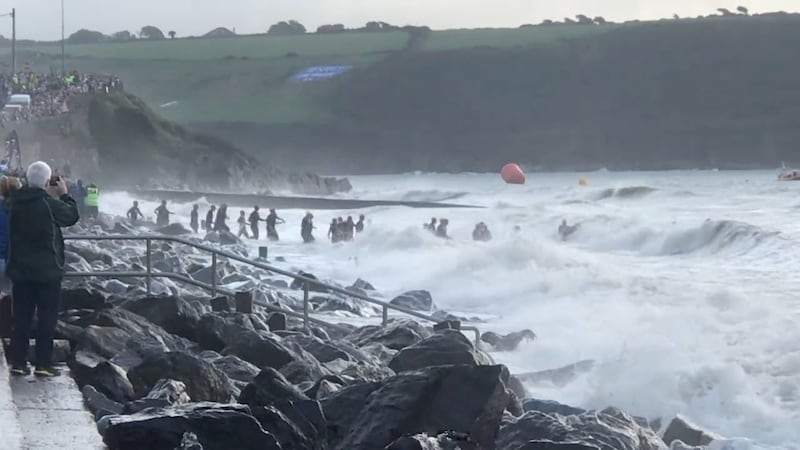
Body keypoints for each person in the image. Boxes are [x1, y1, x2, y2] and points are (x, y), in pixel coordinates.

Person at [7, 161, 79, 377]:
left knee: (21, 319)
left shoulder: (14, 203)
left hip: (20, 270)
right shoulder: (50, 204)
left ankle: (18, 363)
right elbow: (72, 216)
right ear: (48, 182)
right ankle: (43, 364)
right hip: (48, 272)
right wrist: (64, 194)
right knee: (47, 319)